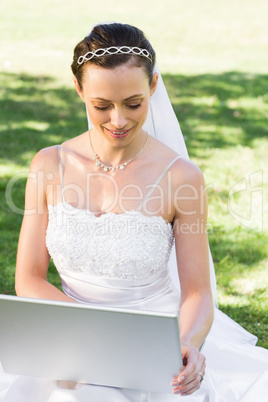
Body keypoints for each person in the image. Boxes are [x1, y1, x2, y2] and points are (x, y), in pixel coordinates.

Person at [0, 22, 267, 402]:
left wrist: (187, 342)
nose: (119, 121)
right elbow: (28, 278)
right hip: (70, 345)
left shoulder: (182, 178)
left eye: (133, 104)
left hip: (153, 348)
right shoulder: (48, 165)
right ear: (79, 90)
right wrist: (92, 334)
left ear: (153, 87)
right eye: (101, 106)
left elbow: (197, 293)